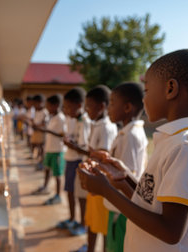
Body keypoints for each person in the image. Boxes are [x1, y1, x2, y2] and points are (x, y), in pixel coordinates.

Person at [78, 49, 188, 251]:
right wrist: (124, 179)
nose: (144, 99)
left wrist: (106, 191)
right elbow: (154, 203)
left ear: (170, 88)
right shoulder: (175, 140)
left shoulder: (186, 146)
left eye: (146, 90)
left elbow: (170, 231)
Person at [91, 82, 149, 252]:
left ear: (127, 107)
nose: (108, 108)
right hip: (118, 206)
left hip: (121, 209)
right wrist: (104, 161)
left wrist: (100, 178)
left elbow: (125, 176)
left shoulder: (130, 136)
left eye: (112, 103)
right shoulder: (125, 132)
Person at [79, 85, 118, 252]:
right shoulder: (97, 124)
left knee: (102, 226)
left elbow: (104, 155)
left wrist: (91, 156)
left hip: (101, 184)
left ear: (101, 107)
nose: (86, 110)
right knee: (93, 222)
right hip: (94, 182)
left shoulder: (106, 128)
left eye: (89, 106)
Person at [57, 87, 91, 236]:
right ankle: (72, 218)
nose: (66, 110)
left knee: (81, 195)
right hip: (70, 159)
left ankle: (83, 224)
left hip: (79, 161)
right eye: (64, 107)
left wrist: (71, 145)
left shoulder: (84, 121)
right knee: (70, 191)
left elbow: (84, 146)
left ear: (78, 105)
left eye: (68, 107)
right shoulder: (72, 120)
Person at [32, 94, 66, 204]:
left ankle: (58, 195)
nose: (47, 108)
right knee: (47, 169)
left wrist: (45, 131)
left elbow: (61, 134)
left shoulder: (61, 118)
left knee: (57, 174)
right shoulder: (52, 117)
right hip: (49, 149)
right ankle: (45, 187)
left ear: (55, 106)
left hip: (57, 150)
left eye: (49, 106)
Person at [31, 94, 48, 170]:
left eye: (35, 103)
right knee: (37, 146)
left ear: (41, 102)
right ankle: (39, 161)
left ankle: (42, 163)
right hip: (36, 131)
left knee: (42, 148)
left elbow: (44, 122)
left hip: (42, 132)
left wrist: (37, 125)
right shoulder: (36, 111)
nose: (34, 105)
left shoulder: (45, 112)